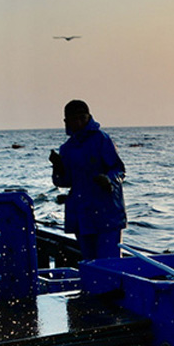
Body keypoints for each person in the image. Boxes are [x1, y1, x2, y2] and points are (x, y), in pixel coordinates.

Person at [49, 99, 126, 261]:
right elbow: (64, 181)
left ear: (89, 117)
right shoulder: (67, 148)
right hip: (82, 215)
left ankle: (111, 287)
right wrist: (58, 167)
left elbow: (119, 169)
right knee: (90, 263)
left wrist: (109, 180)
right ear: (66, 121)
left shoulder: (102, 139)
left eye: (82, 118)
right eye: (74, 119)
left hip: (107, 214)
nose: (78, 122)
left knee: (109, 263)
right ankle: (92, 286)